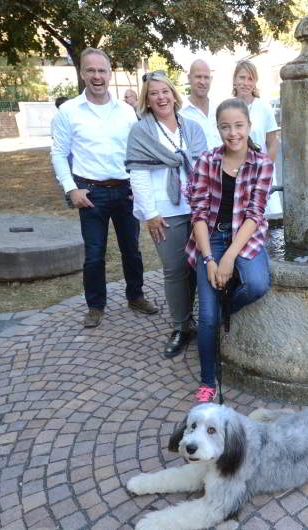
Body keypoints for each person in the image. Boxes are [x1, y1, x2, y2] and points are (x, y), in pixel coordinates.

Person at [51, 47, 158, 328]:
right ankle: (95, 306)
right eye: (91, 70)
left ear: (110, 74)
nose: (97, 76)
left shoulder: (127, 112)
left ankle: (136, 296)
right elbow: (59, 153)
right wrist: (71, 189)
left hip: (125, 191)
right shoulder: (68, 111)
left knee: (132, 250)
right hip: (91, 193)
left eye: (102, 71)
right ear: (82, 73)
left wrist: (139, 183)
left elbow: (138, 152)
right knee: (94, 254)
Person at [185, 98, 273, 402]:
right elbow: (197, 213)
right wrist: (209, 259)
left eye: (238, 125)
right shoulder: (207, 161)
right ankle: (208, 379)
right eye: (225, 126)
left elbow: (254, 214)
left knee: (258, 284)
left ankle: (227, 308)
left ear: (249, 126)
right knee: (206, 318)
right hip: (209, 238)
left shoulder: (262, 163)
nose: (232, 132)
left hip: (244, 237)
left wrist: (229, 259)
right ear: (218, 128)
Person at [125, 72, 207, 358]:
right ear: (146, 100)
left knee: (199, 268)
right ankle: (180, 327)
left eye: (165, 91)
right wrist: (150, 214)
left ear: (174, 94)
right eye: (153, 93)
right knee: (174, 270)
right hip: (164, 212)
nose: (161, 97)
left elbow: (204, 168)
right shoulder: (142, 131)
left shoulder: (192, 128)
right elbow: (138, 174)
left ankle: (196, 321)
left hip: (196, 209)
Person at [231, 60, 281, 215]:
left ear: (255, 83)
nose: (245, 83)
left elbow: (272, 143)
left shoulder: (264, 107)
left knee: (267, 222)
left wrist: (264, 171)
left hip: (260, 174)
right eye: (242, 77)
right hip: (235, 174)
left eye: (250, 79)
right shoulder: (227, 107)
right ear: (234, 80)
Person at [180, 59, 223, 150]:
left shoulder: (219, 109)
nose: (203, 82)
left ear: (211, 79)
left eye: (206, 77)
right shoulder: (180, 113)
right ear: (189, 78)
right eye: (198, 77)